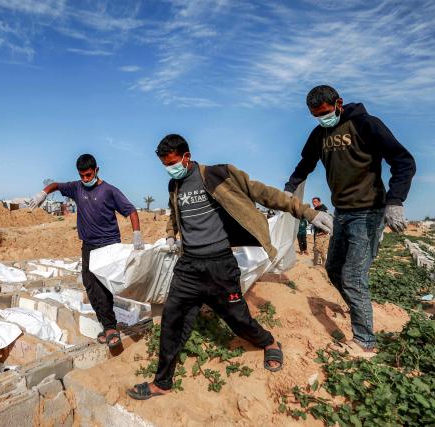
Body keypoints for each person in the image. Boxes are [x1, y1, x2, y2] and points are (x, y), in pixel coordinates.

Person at [127, 134, 334, 400]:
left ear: (186, 157)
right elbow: (174, 212)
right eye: (165, 165)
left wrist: (308, 212)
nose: (170, 168)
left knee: (238, 319)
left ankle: (268, 341)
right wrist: (171, 232)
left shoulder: (218, 174)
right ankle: (162, 382)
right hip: (188, 266)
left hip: (220, 266)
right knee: (172, 320)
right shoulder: (173, 185)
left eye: (172, 163)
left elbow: (263, 193)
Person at [284, 85, 416, 357]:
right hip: (341, 213)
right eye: (315, 115)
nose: (322, 119)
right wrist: (289, 188)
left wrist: (395, 201)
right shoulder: (319, 134)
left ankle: (365, 342)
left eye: (325, 113)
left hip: (369, 212)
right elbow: (305, 164)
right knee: (333, 268)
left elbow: (404, 161)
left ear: (338, 103)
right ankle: (358, 309)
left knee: (354, 276)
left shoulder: (365, 124)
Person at [28, 154, 144, 348]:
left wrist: (137, 234)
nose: (86, 179)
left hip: (108, 245)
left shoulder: (109, 191)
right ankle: (107, 325)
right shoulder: (77, 187)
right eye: (82, 176)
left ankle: (110, 327)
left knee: (102, 287)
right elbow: (56, 185)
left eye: (89, 175)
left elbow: (130, 210)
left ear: (96, 170)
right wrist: (43, 193)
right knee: (90, 285)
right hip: (88, 245)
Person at [311, 197, 329, 266]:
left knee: (318, 249)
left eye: (315, 202)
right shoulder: (317, 209)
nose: (313, 203)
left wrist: (324, 231)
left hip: (322, 233)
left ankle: (317, 264)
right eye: (313, 202)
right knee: (320, 249)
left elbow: (327, 221)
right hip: (318, 231)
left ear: (319, 202)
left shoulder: (323, 210)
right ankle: (322, 263)